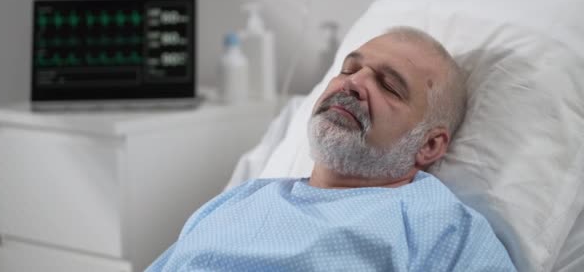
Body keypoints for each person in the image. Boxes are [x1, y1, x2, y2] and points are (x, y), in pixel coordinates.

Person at [147, 26, 516, 271]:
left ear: (430, 144)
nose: (353, 83)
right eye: (348, 69)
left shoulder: (442, 228)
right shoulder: (238, 201)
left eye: (388, 85)